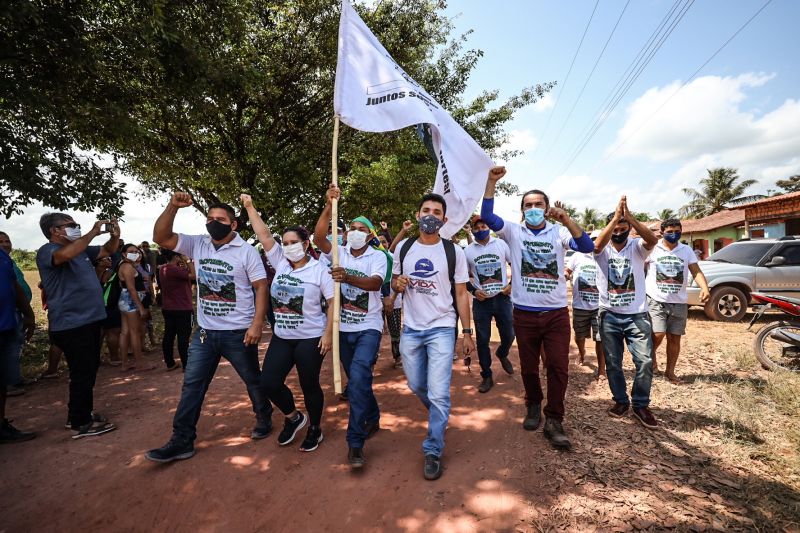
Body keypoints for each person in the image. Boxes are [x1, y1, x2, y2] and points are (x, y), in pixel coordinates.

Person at [146, 193, 272, 463]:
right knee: (192, 385)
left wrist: (257, 324)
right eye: (210, 219)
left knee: (252, 379)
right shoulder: (198, 244)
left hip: (239, 332)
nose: (214, 223)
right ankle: (182, 440)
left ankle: (264, 416)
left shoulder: (246, 251)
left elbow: (261, 286)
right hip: (204, 333)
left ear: (233, 224)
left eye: (220, 219)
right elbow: (162, 237)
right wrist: (172, 207)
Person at [481, 167, 593, 450]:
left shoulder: (559, 232)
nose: (533, 209)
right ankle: (533, 404)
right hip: (524, 313)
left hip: (555, 314)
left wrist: (566, 218)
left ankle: (554, 419)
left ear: (547, 208)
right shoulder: (514, 232)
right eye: (528, 205)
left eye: (538, 205)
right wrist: (491, 182)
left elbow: (587, 245)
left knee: (558, 366)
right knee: (529, 368)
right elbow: (488, 217)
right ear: (522, 211)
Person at [392, 193, 474, 480]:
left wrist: (466, 332)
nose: (430, 215)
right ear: (417, 215)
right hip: (411, 329)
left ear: (444, 219)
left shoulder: (454, 252)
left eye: (436, 212)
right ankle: (440, 414)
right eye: (425, 210)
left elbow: (462, 294)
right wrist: (397, 283)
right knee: (417, 384)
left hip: (442, 327)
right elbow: (394, 282)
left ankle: (433, 449)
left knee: (438, 392)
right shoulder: (403, 248)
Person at [242, 194, 334, 453]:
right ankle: (294, 417)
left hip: (310, 337)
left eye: (294, 242)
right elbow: (264, 236)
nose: (289, 246)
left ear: (306, 244)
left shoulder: (319, 270)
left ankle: (315, 428)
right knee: (269, 382)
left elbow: (333, 302)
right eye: (286, 242)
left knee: (309, 384)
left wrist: (328, 334)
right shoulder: (281, 264)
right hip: (282, 336)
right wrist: (250, 206)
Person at [312, 185, 387, 468]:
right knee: (358, 382)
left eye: (360, 228)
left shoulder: (377, 256)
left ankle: (355, 443)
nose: (354, 231)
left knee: (356, 380)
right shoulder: (338, 252)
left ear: (368, 235)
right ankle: (374, 416)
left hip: (368, 327)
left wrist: (347, 278)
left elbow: (376, 283)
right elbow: (319, 237)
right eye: (350, 227)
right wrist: (330, 205)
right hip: (342, 329)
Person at [36, 213, 119, 438]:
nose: (76, 228)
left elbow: (107, 250)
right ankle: (79, 423)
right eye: (71, 225)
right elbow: (64, 255)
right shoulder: (48, 251)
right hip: (72, 324)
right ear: (55, 231)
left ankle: (82, 413)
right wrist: (93, 232)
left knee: (88, 369)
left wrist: (115, 235)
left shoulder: (81, 251)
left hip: (89, 321)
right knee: (82, 371)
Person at [594, 197, 659, 429]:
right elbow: (596, 246)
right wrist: (613, 219)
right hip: (609, 314)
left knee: (644, 361)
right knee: (613, 363)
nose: (619, 232)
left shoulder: (637, 248)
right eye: (616, 228)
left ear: (630, 229)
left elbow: (652, 239)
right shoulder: (602, 250)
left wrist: (630, 217)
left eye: (624, 228)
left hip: (637, 315)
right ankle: (620, 401)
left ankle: (641, 404)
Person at [646, 218, 711, 384]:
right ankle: (651, 359)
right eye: (669, 232)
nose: (674, 234)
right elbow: (638, 266)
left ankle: (670, 372)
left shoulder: (686, 250)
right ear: (662, 232)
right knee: (658, 334)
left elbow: (695, 271)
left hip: (679, 302)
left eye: (677, 231)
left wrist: (705, 288)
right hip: (656, 299)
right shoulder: (653, 248)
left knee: (675, 338)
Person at [463, 215, 515, 393]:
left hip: (502, 298)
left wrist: (510, 285)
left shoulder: (501, 245)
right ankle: (486, 376)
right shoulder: (468, 251)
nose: (480, 230)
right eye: (476, 228)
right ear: (473, 230)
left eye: (483, 226)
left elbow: (516, 265)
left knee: (509, 335)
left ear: (489, 227)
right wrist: (474, 291)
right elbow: (462, 277)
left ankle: (502, 353)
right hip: (481, 302)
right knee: (483, 341)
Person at [0, 245, 36, 442]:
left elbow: (14, 286)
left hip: (7, 326)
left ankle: (1, 426)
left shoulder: (4, 258)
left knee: (3, 381)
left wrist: (28, 314)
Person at [565, 230, 605, 378]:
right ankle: (582, 354)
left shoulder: (605, 256)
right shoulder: (577, 256)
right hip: (580, 305)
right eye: (592, 239)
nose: (595, 242)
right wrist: (565, 275)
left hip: (600, 306)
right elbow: (567, 270)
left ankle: (601, 369)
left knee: (601, 338)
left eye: (598, 239)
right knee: (579, 335)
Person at [0, 231, 32, 396]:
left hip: (14, 313)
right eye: (1, 241)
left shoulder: (8, 261)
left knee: (14, 347)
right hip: (7, 314)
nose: (5, 244)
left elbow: (16, 287)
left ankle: (13, 379)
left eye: (7, 240)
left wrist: (28, 313)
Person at [117, 244, 153, 371]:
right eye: (131, 251)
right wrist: (141, 307)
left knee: (125, 331)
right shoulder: (127, 267)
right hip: (130, 301)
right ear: (124, 254)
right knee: (134, 332)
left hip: (125, 300)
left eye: (137, 251)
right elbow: (131, 289)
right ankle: (139, 363)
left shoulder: (126, 265)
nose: (135, 253)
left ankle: (125, 364)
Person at [159, 250, 195, 371]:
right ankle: (186, 364)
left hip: (168, 308)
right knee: (183, 337)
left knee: (169, 335)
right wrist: (188, 260)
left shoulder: (163, 268)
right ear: (176, 256)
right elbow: (194, 275)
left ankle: (170, 363)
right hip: (183, 308)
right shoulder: (174, 269)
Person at [93, 255, 122, 366]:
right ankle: (114, 358)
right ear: (99, 262)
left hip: (94, 308)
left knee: (98, 334)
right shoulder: (111, 274)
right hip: (110, 307)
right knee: (113, 332)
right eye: (107, 259)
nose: (110, 260)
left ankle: (95, 359)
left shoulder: (89, 275)